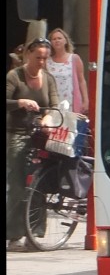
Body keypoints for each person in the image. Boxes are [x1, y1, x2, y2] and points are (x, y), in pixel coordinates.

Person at [6, 38, 60, 250]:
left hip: (39, 134)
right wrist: (20, 102)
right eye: (37, 57)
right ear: (28, 55)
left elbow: (54, 105)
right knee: (18, 185)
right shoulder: (14, 76)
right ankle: (14, 234)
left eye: (45, 58)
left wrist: (48, 117)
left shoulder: (48, 78)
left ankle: (35, 233)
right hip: (17, 133)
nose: (41, 62)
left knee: (39, 185)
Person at [47, 27, 88, 116]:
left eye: (59, 38)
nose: (57, 41)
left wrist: (85, 100)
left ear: (65, 41)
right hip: (53, 102)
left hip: (70, 102)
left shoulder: (74, 58)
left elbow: (81, 81)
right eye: (54, 39)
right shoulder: (47, 61)